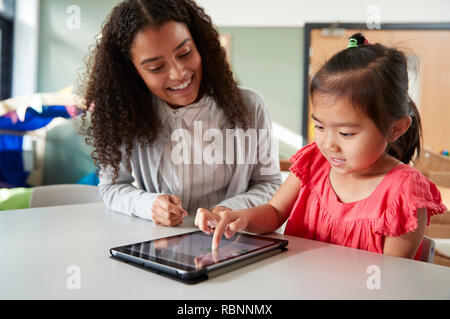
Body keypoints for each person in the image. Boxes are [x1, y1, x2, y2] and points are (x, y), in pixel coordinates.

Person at [195, 33, 447, 260]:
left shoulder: (404, 194)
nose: (328, 144)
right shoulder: (314, 161)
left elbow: (391, 280)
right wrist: (239, 217)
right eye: (321, 127)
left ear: (396, 128)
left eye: (346, 133)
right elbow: (274, 211)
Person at [80, 0, 281, 226]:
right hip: (160, 244)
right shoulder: (124, 114)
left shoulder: (250, 106)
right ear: (133, 73)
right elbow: (112, 188)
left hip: (232, 240)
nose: (178, 74)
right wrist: (150, 205)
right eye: (156, 67)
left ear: (200, 45)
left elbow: (269, 184)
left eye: (185, 53)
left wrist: (230, 210)